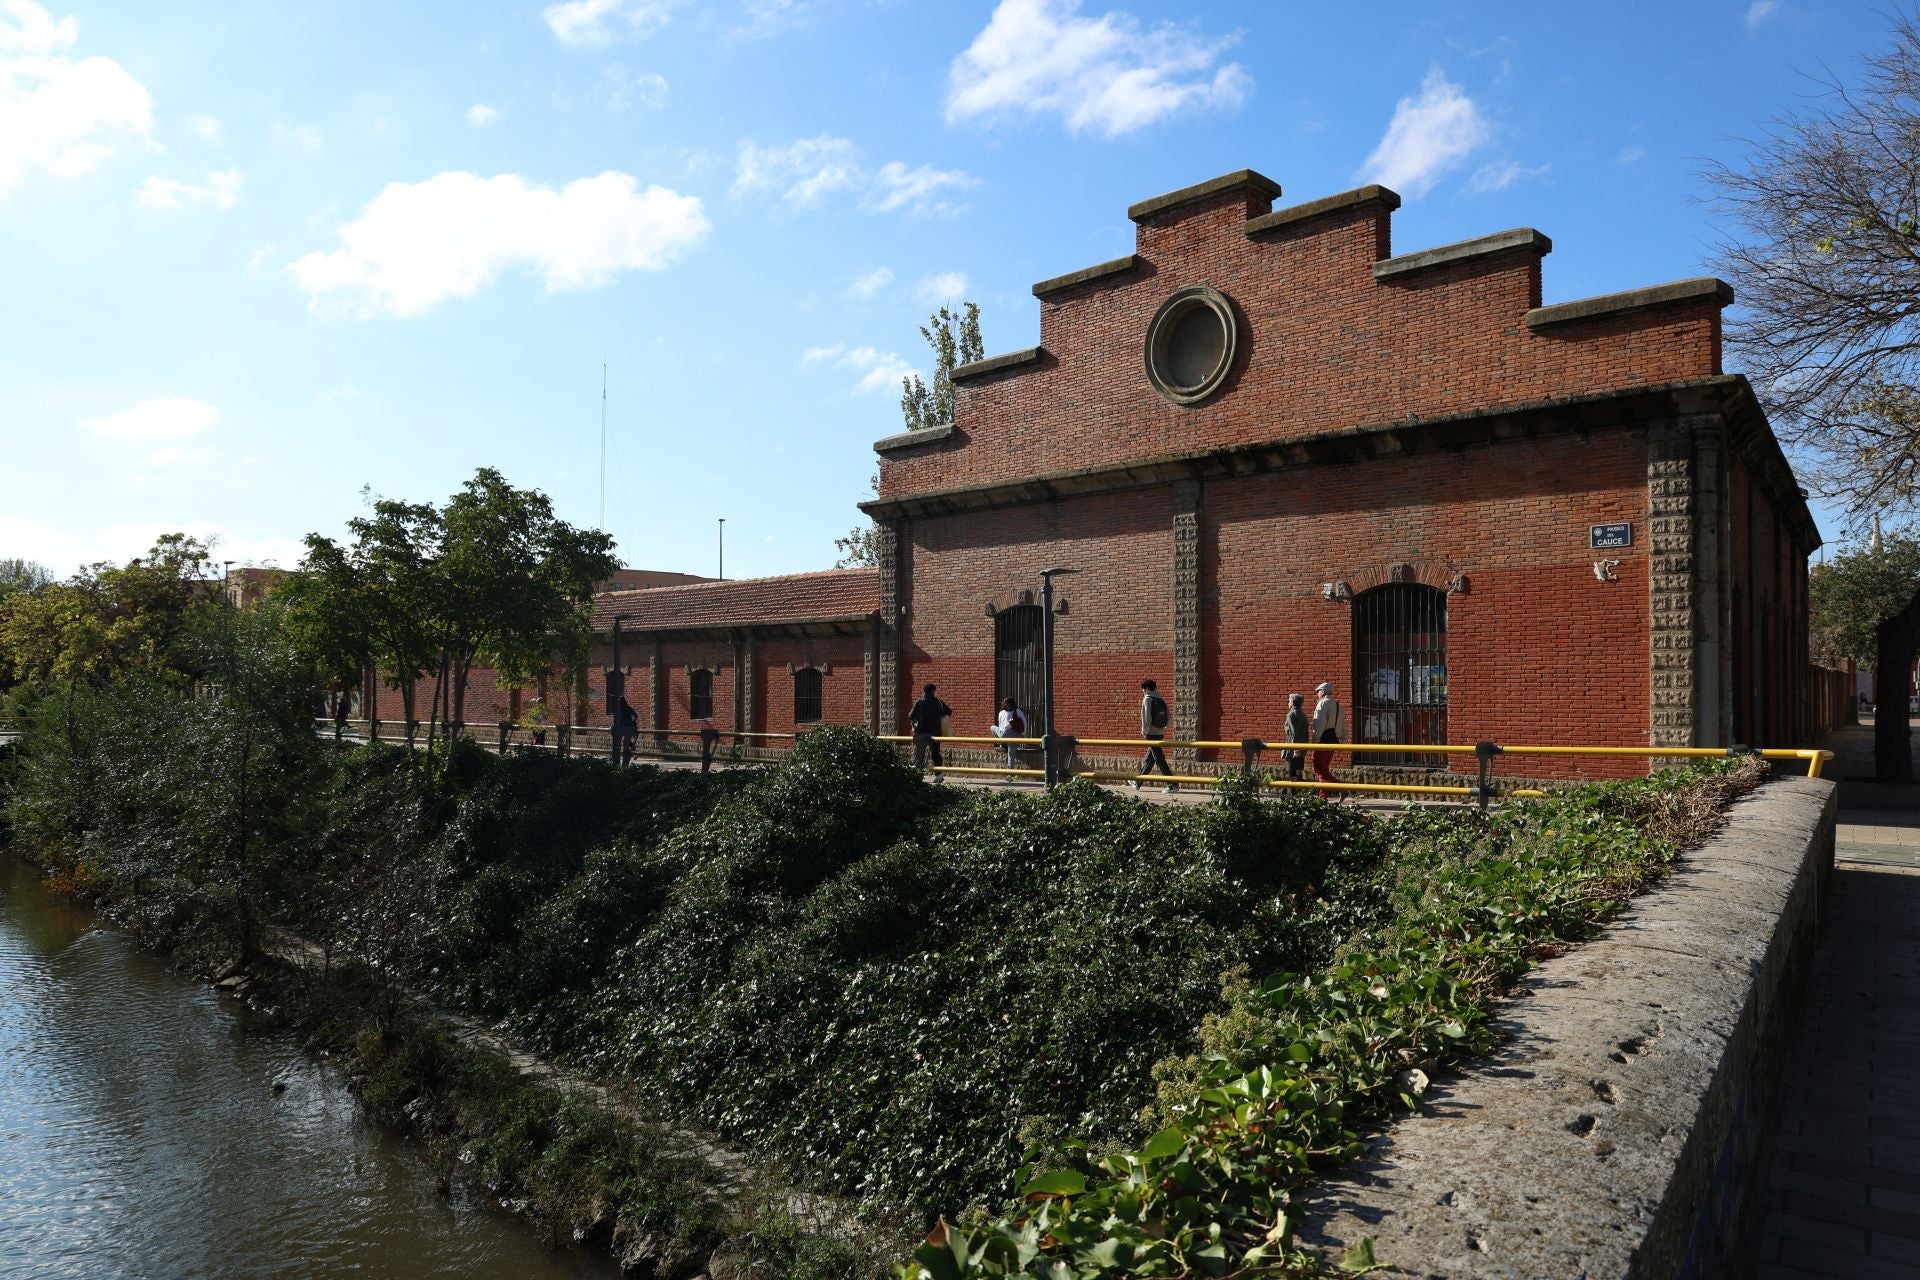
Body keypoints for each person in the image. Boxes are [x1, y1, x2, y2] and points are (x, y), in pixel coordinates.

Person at [1134, 678, 1175, 793]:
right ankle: (1138, 782)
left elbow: (1146, 719)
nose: (1142, 691)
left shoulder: (1147, 700)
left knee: (1159, 759)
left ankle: (1172, 784)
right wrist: (1164, 729)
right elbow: (1170, 717)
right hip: (1160, 733)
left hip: (1151, 733)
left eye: (1142, 689)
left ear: (1146, 689)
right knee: (1150, 758)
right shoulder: (1160, 699)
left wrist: (1144, 732)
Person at [1311, 681, 1345, 799]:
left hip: (1323, 740)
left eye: (1318, 691)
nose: (1317, 694)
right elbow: (1342, 725)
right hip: (1334, 740)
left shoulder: (1322, 704)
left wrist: (1315, 740)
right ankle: (1323, 796)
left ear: (1323, 691)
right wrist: (1342, 739)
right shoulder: (1338, 705)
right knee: (1324, 768)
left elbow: (1319, 724)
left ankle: (1341, 787)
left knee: (1317, 768)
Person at [909, 683, 952, 771]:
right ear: (933, 691)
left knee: (919, 755)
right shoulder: (938, 702)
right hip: (934, 733)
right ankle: (939, 774)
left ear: (924, 691)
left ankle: (918, 775)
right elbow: (949, 712)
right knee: (935, 754)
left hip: (921, 733)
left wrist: (917, 720)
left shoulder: (918, 702)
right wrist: (939, 716)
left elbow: (910, 716)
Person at [993, 697, 1027, 770]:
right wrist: (1023, 735)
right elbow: (1024, 723)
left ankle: (1002, 744)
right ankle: (1010, 774)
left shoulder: (1001, 712)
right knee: (1011, 755)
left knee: (992, 727)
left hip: (1004, 733)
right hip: (1014, 734)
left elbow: (1000, 725)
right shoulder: (1018, 711)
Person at [1283, 691, 1310, 782]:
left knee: (1291, 774)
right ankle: (1290, 795)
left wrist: (1296, 749)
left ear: (1292, 702)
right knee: (1294, 773)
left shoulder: (1291, 714)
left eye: (1289, 701)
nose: (1288, 703)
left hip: (1293, 748)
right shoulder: (1303, 714)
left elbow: (1293, 733)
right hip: (1301, 747)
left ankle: (1309, 788)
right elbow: (1305, 733)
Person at [616, 697, 639, 766]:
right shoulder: (629, 709)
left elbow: (617, 720)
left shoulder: (618, 710)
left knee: (617, 747)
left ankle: (617, 764)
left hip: (621, 728)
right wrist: (632, 722)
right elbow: (635, 716)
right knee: (626, 746)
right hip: (629, 728)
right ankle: (625, 765)